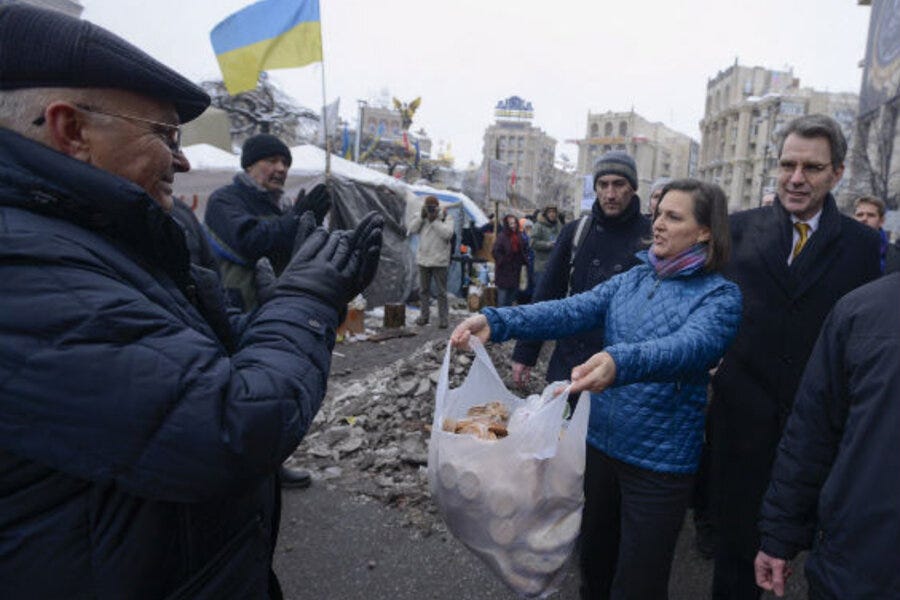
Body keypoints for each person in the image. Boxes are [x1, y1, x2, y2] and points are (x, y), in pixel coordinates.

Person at [0, 5, 383, 598]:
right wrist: (306, 298)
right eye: (164, 135)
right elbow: (228, 423)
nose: (181, 160)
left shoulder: (102, 232)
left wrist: (288, 303)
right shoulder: (24, 262)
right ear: (71, 129)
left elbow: (200, 361)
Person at [452, 179, 742, 599]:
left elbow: (690, 347)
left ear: (704, 232)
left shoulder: (721, 296)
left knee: (639, 584)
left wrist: (620, 362)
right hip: (600, 448)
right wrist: (498, 322)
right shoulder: (634, 279)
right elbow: (571, 309)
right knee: (594, 568)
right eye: (659, 214)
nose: (658, 224)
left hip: (659, 464)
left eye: (673, 217)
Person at [708, 114, 881, 600]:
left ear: (837, 173)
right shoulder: (737, 231)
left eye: (812, 167)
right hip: (741, 431)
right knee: (734, 567)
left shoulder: (864, 247)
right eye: (788, 165)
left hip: (819, 436)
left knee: (814, 570)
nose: (796, 178)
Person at [754, 271, 900, 598]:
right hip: (858, 562)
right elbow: (811, 434)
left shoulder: (859, 310)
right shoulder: (859, 312)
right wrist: (779, 533)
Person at [510, 150, 651, 388]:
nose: (610, 194)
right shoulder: (576, 231)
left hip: (622, 370)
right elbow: (547, 293)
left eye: (619, 184)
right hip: (571, 360)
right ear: (595, 188)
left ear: (633, 188)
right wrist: (526, 352)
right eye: (603, 185)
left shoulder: (651, 237)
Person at [204, 133, 331, 311]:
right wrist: (296, 218)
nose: (281, 168)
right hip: (238, 308)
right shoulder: (224, 200)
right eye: (272, 161)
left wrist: (310, 224)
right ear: (249, 165)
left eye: (285, 163)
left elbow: (291, 256)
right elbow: (251, 241)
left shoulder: (280, 206)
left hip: (275, 307)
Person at [408, 195, 455, 328]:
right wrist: (421, 217)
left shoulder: (445, 216)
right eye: (428, 207)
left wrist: (434, 221)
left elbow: (448, 234)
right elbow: (411, 229)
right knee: (423, 291)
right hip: (424, 259)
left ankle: (443, 319)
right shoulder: (421, 216)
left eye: (433, 207)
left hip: (439, 260)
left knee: (441, 292)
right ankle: (424, 317)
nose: (430, 209)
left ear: (437, 206)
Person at [853, 195, 900, 273]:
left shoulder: (896, 255)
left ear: (881, 221)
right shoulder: (839, 252)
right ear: (854, 219)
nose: (864, 219)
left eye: (870, 215)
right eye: (860, 215)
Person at [492, 213, 528, 306]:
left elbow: (523, 250)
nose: (513, 225)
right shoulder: (502, 237)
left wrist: (523, 261)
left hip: (515, 270)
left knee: (511, 298)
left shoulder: (519, 236)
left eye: (514, 223)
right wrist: (503, 261)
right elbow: (496, 251)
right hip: (504, 271)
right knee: (503, 298)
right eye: (511, 223)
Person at [530, 204, 563, 283]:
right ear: (545, 214)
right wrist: (548, 244)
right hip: (542, 266)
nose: (552, 214)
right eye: (550, 212)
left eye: (554, 212)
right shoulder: (538, 226)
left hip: (555, 265)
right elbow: (533, 243)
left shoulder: (559, 226)